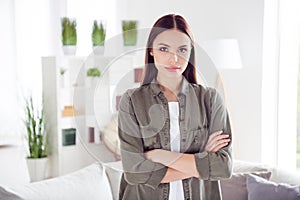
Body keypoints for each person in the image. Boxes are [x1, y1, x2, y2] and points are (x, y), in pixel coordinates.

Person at [118, 13, 232, 200]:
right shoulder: (132, 101)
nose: (174, 59)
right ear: (151, 50)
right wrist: (204, 158)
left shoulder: (211, 100)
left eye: (182, 50)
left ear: (190, 52)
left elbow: (223, 167)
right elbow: (135, 172)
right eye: (164, 49)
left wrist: (160, 156)